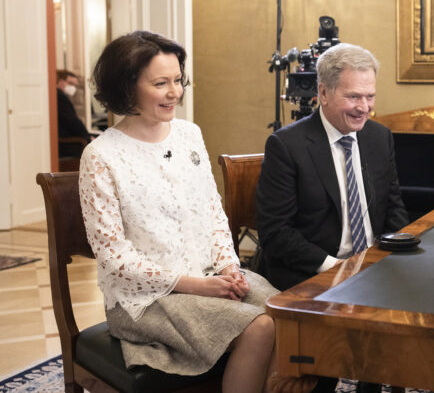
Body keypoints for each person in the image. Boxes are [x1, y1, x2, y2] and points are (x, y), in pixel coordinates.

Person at [78, 31, 314, 393]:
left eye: (178, 80)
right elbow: (114, 259)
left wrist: (229, 268)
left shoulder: (189, 135)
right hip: (144, 299)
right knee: (261, 326)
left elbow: (213, 213)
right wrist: (198, 286)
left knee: (288, 315)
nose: (175, 92)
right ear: (127, 87)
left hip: (208, 276)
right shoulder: (101, 156)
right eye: (161, 83)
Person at [255, 43, 410, 392]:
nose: (365, 108)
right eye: (354, 96)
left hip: (374, 267)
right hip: (315, 271)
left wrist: (400, 260)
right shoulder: (286, 146)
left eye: (370, 96)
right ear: (323, 93)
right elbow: (274, 232)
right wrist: (335, 268)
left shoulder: (379, 137)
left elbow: (394, 209)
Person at [56, 69, 92, 158]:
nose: (73, 88)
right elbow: (72, 122)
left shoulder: (58, 95)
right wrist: (88, 137)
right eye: (71, 84)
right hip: (67, 143)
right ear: (61, 81)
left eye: (75, 85)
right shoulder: (59, 96)